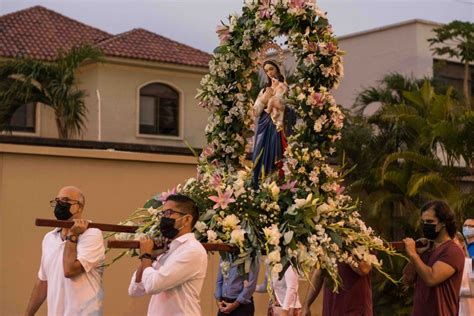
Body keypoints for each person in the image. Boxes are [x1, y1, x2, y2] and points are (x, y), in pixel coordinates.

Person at [25, 186, 105, 316]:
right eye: (57, 201)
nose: (60, 205)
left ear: (79, 207)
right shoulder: (49, 238)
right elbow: (43, 281)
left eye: (65, 201)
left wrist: (72, 235)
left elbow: (69, 270)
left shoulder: (92, 235)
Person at [128, 194, 207, 316]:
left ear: (187, 219)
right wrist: (151, 257)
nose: (164, 218)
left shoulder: (192, 250)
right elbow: (135, 290)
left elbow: (153, 285)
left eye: (169, 213)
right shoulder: (168, 248)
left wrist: (146, 256)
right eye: (163, 214)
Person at [403, 200, 465, 316]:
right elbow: (407, 279)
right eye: (424, 222)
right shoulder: (427, 249)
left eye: (430, 221)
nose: (426, 225)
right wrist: (418, 255)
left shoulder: (452, 251)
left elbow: (431, 278)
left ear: (443, 223)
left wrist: (413, 255)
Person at [252, 59, 288, 187]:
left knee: (275, 154)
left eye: (271, 69)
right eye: (266, 71)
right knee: (259, 153)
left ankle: (274, 184)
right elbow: (255, 111)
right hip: (263, 125)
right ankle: (259, 183)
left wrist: (274, 97)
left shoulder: (283, 87)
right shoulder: (263, 91)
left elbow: (284, 106)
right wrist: (263, 99)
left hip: (276, 126)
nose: (269, 73)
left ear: (277, 69)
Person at [301, 260, 372, 316]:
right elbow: (319, 272)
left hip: (354, 307)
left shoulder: (365, 242)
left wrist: (345, 249)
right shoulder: (328, 242)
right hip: (331, 305)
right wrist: (306, 305)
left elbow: (364, 270)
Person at [454, 232, 474, 316]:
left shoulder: (471, 263)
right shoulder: (443, 266)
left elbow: (472, 291)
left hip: (467, 311)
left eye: (453, 241)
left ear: (462, 243)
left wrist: (453, 290)